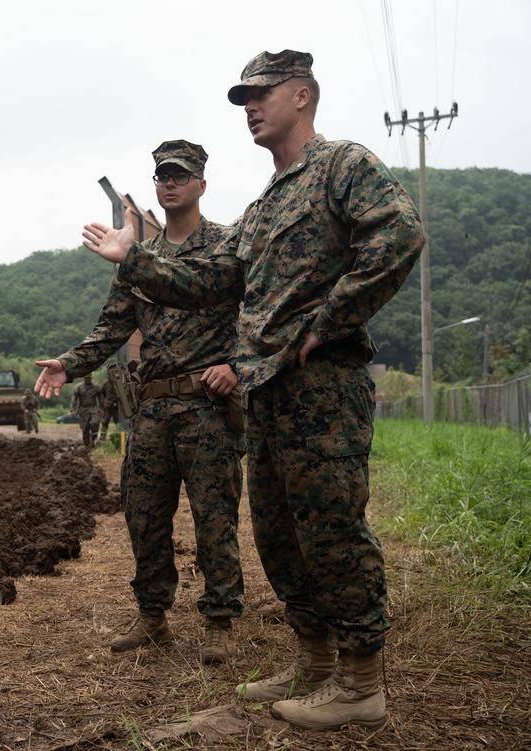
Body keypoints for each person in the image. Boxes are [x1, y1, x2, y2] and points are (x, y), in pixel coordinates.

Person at [80, 51, 424, 730]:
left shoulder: (342, 166)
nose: (250, 106)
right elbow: (210, 276)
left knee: (330, 529)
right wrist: (136, 258)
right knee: (278, 531)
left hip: (321, 386)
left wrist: (328, 323)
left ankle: (360, 682)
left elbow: (400, 235)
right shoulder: (265, 204)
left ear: (302, 95)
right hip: (266, 390)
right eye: (243, 98)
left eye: (262, 94)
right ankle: (315, 661)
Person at [36, 140, 245, 664]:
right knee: (144, 516)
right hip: (151, 410)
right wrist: (70, 363)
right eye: (161, 176)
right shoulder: (137, 259)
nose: (169, 183)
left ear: (201, 183)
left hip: (206, 409)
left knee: (213, 517)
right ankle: (153, 617)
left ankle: (220, 620)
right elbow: (113, 326)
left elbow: (258, 316)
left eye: (180, 174)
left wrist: (239, 366)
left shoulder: (228, 244)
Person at [68, 374, 101, 447]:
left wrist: (102, 409)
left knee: (95, 423)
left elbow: (100, 399)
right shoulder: (79, 387)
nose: (88, 379)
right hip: (83, 408)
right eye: (86, 378)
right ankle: (87, 444)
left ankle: (93, 439)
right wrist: (72, 409)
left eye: (89, 378)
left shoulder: (96, 387)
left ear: (91, 378)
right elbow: (74, 399)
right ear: (84, 378)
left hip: (94, 408)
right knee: (85, 427)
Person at [98, 377, 119, 441]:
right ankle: (102, 439)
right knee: (104, 423)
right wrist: (102, 407)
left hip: (117, 406)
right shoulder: (105, 383)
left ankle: (119, 438)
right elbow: (102, 396)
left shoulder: (118, 382)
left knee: (118, 423)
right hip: (107, 407)